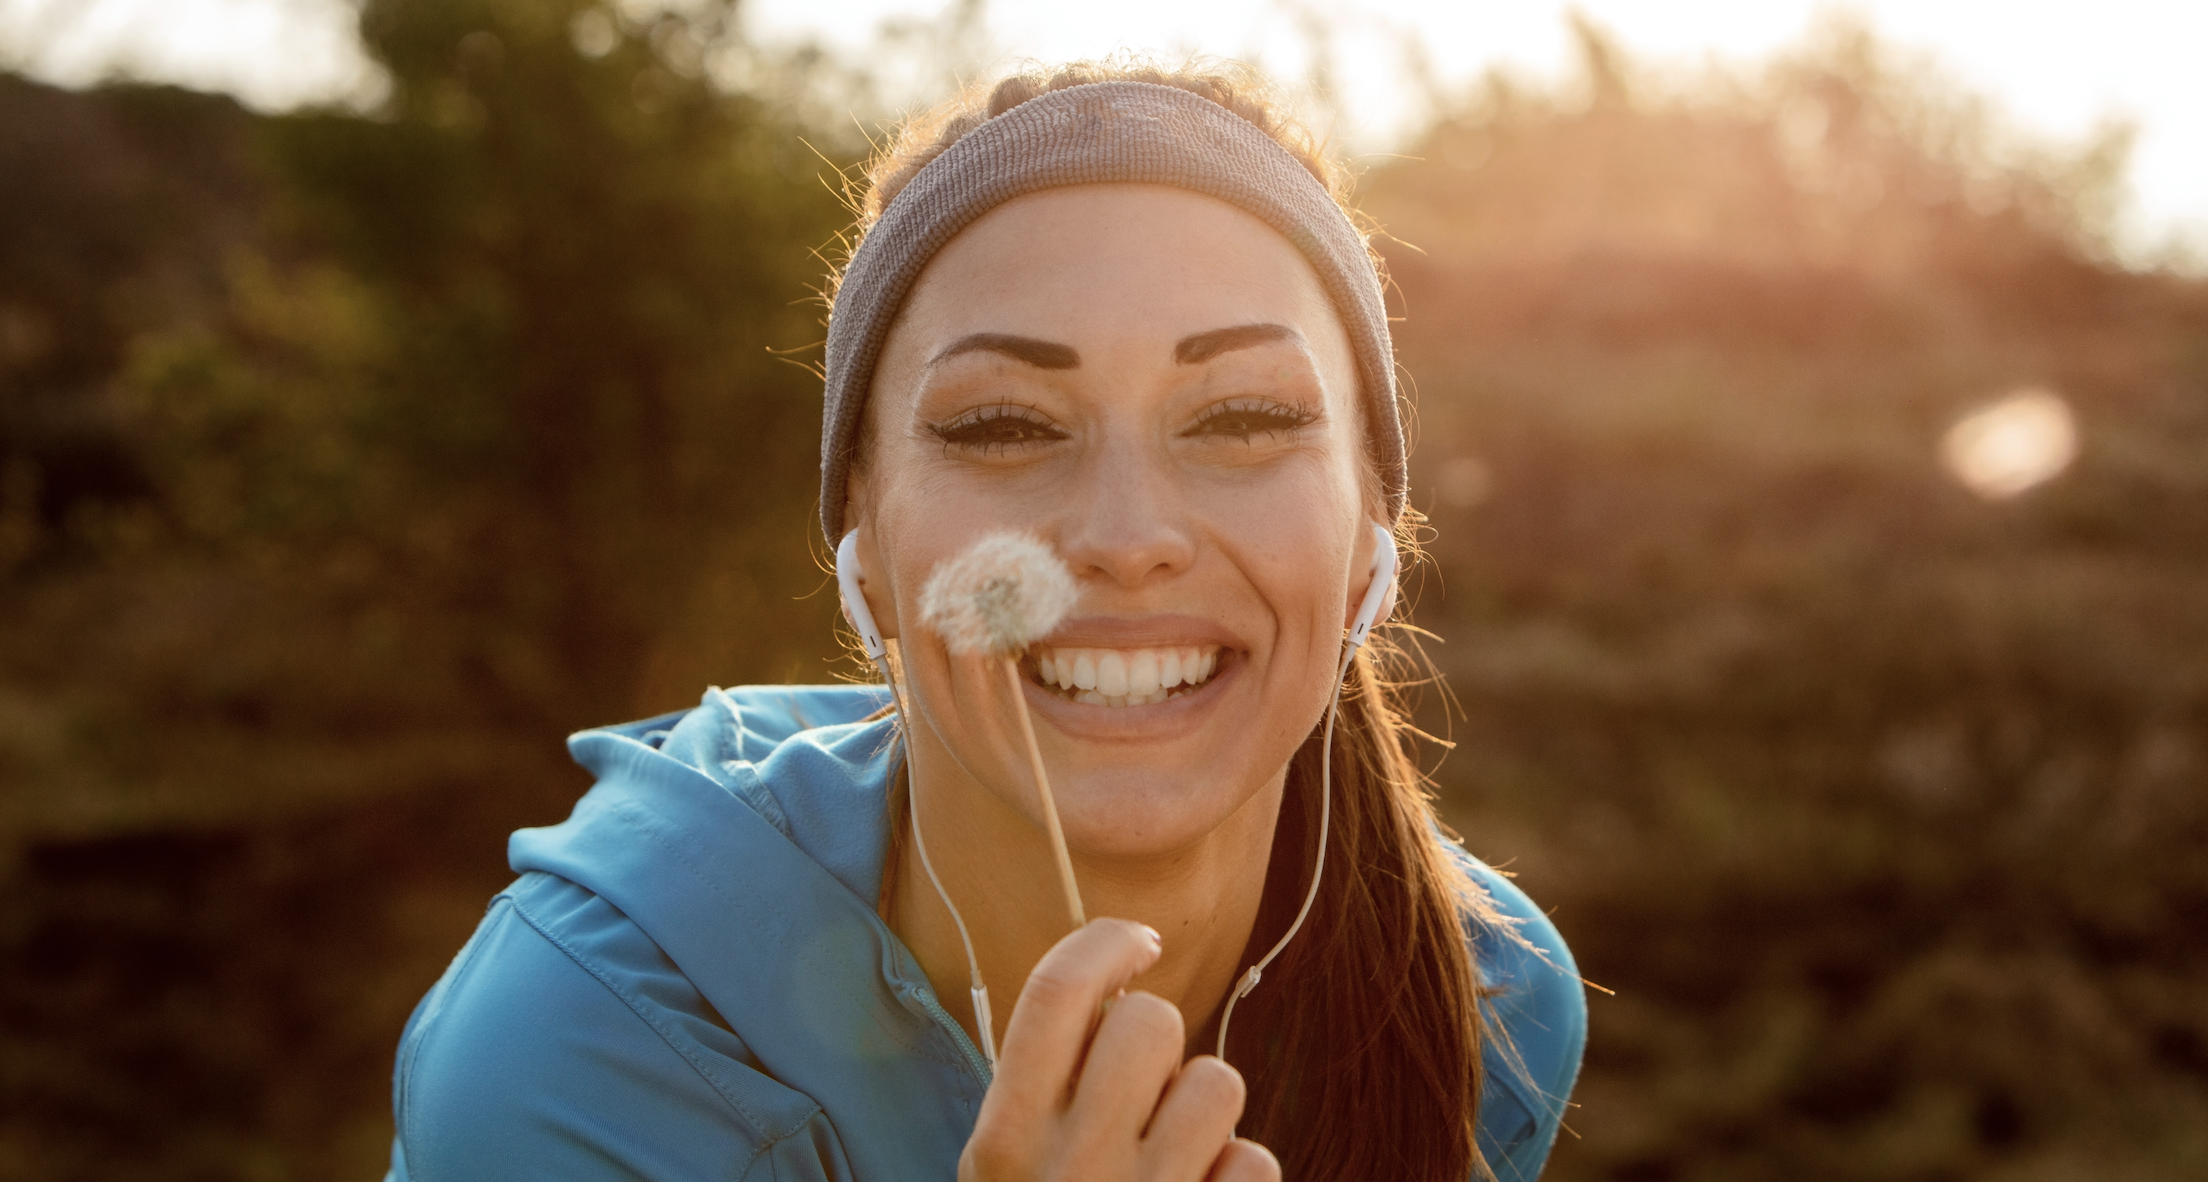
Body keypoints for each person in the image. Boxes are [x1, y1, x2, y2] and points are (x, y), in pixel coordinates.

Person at [386, 63, 1585, 1182]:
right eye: (1002, 427)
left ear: (1372, 531)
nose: (1126, 535)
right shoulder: (566, 1068)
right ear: (864, 546)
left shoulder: (1486, 1003)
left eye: (1243, 417)